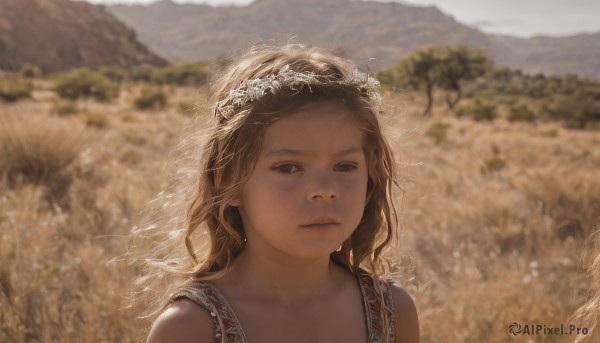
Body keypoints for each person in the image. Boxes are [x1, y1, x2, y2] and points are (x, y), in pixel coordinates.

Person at [135, 43, 419, 343]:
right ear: (227, 181)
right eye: (288, 168)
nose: (325, 190)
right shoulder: (191, 328)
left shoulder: (391, 313)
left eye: (345, 166)